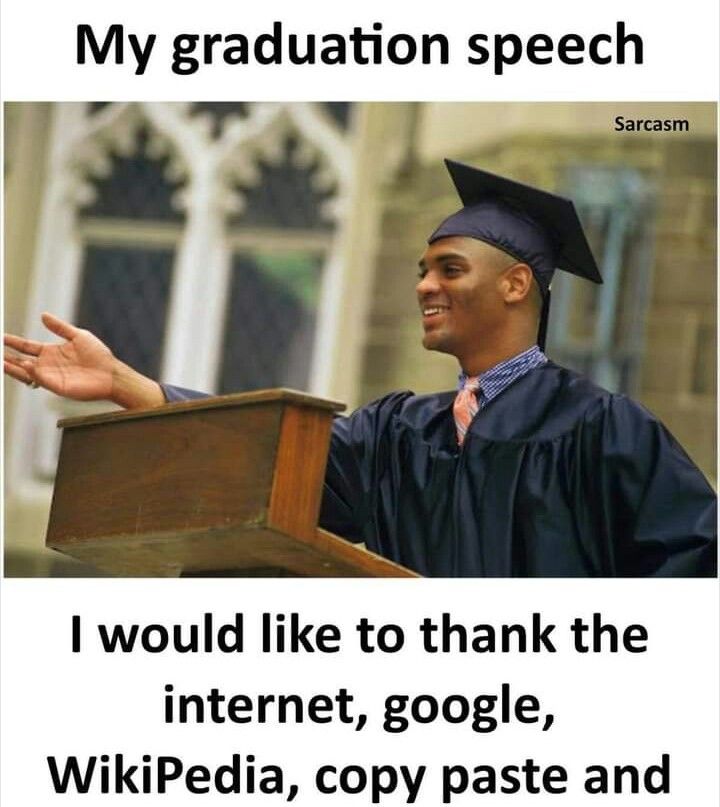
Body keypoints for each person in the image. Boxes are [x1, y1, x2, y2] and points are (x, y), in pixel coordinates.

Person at [5, 161, 717, 577]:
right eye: (421, 270)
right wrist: (128, 384)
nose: (424, 286)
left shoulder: (603, 429)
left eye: (448, 269)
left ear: (515, 285)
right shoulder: (396, 432)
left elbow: (692, 569)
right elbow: (272, 456)